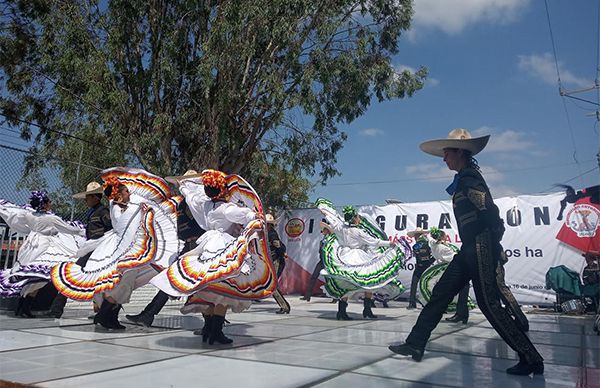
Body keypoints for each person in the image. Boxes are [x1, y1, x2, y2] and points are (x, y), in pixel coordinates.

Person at [388, 128, 544, 376]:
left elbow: (491, 214)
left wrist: (494, 245)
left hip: (480, 246)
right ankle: (415, 344)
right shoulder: (463, 178)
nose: (444, 158)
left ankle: (531, 357)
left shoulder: (470, 178)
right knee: (440, 294)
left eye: (447, 152)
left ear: (459, 152)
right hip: (469, 248)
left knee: (489, 304)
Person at [150, 169, 277, 345]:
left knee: (210, 287)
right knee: (224, 291)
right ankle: (215, 332)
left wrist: (183, 186)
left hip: (206, 245)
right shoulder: (226, 208)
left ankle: (209, 330)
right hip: (222, 246)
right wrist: (255, 216)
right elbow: (245, 215)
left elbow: (190, 196)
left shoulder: (203, 205)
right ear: (222, 190)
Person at [52, 168, 182, 330]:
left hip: (118, 246)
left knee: (118, 282)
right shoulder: (123, 208)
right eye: (127, 191)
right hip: (126, 248)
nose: (130, 193)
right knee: (123, 282)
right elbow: (131, 226)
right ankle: (105, 315)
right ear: (120, 194)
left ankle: (108, 316)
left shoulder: (117, 206)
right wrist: (146, 214)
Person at [125, 170, 206, 327]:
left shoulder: (197, 200)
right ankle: (148, 315)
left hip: (198, 246)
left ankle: (214, 320)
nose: (182, 184)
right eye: (181, 182)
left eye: (186, 182)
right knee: (175, 280)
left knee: (196, 283)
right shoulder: (185, 201)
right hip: (189, 246)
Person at [316, 199, 409, 320]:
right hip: (358, 256)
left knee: (346, 282)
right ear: (355, 218)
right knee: (368, 280)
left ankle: (342, 311)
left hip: (343, 256)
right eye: (358, 217)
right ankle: (366, 309)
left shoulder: (340, 227)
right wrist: (390, 244)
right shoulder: (358, 232)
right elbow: (375, 242)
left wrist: (324, 211)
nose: (359, 218)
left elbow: (331, 218)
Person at [0, 192, 86, 317]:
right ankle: (25, 308)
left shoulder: (28, 215)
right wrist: (83, 231)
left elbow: (17, 216)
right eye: (49, 202)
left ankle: (22, 307)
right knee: (43, 275)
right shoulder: (51, 218)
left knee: (31, 277)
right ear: (44, 204)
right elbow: (68, 229)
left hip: (31, 245)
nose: (51, 203)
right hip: (46, 245)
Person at [45, 182, 113, 318]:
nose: (86, 200)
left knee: (96, 280)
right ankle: (56, 310)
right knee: (75, 276)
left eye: (88, 197)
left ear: (96, 198)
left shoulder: (103, 212)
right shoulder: (92, 212)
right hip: (90, 250)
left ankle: (103, 313)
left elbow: (111, 229)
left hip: (99, 252)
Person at [300, 219, 330, 302]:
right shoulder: (324, 239)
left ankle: (335, 297)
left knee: (329, 279)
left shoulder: (330, 239)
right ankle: (307, 296)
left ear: (327, 230)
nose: (322, 231)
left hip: (328, 262)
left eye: (324, 229)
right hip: (321, 261)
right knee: (314, 277)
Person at [266, 214, 291, 314]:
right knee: (272, 286)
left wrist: (282, 253)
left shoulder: (272, 234)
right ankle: (284, 306)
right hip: (274, 261)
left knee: (272, 286)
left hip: (277, 261)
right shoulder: (269, 234)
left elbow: (279, 246)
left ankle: (285, 307)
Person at [406, 228, 434, 309]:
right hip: (419, 266)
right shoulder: (417, 245)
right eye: (416, 235)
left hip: (426, 267)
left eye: (418, 235)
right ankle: (412, 303)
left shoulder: (427, 243)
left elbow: (432, 254)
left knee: (427, 285)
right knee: (414, 284)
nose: (416, 237)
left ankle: (425, 302)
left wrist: (430, 262)